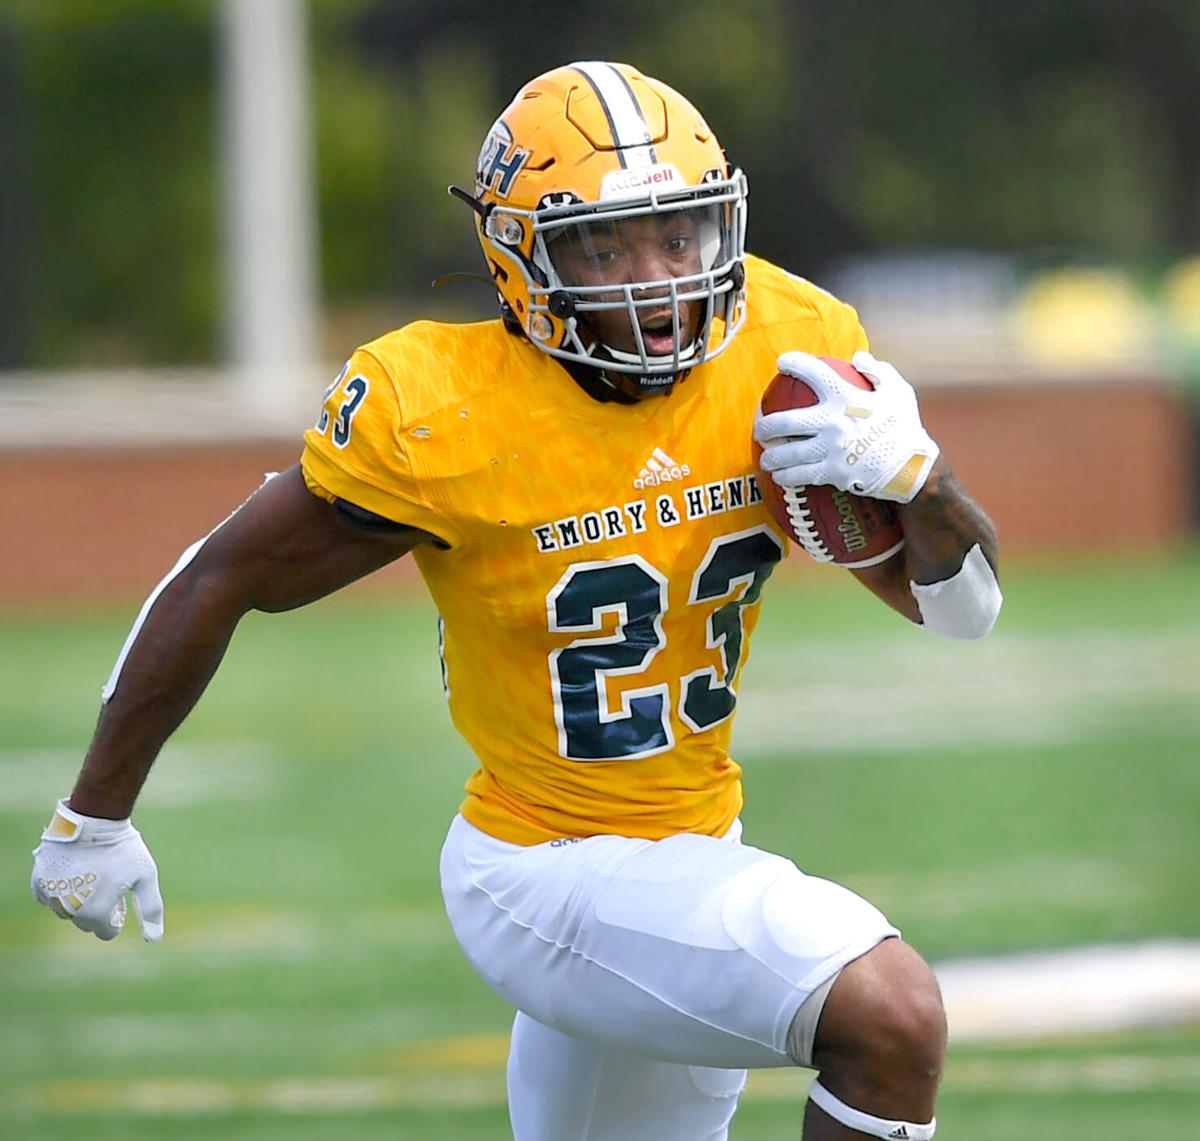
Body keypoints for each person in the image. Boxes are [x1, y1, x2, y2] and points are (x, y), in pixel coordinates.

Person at [31, 61, 1001, 1140]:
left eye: (677, 237)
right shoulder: (443, 408)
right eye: (605, 247)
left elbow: (963, 612)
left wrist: (921, 478)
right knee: (891, 1013)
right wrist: (92, 815)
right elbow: (220, 577)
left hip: (695, 846)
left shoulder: (788, 346)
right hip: (539, 868)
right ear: (522, 257)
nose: (655, 280)